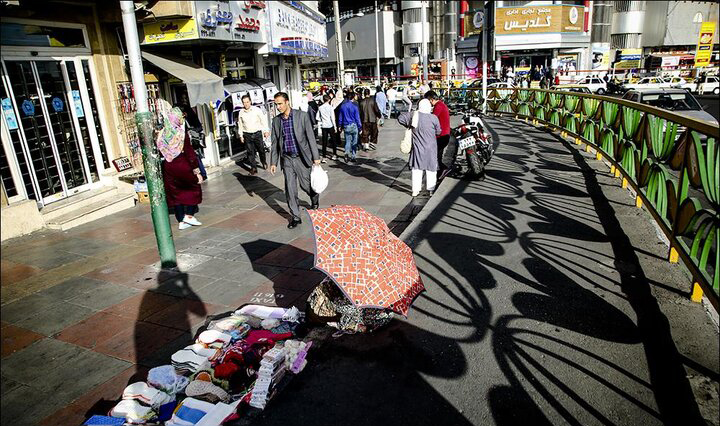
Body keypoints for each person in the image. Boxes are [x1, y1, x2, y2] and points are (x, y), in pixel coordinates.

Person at [269, 92, 321, 229]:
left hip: (301, 157)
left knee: (306, 185)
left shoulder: (302, 116)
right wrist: (273, 162)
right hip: (287, 159)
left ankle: (314, 198)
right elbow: (274, 143)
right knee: (290, 189)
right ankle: (296, 216)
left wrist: (316, 158)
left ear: (287, 102)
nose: (278, 107)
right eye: (276, 104)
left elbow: (310, 138)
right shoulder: (276, 121)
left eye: (280, 103)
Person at [157, 106, 203, 230]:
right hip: (183, 165)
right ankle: (189, 216)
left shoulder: (162, 134)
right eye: (181, 117)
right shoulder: (181, 134)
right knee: (194, 188)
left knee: (175, 194)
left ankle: (180, 220)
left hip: (168, 167)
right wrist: (197, 171)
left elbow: (160, 150)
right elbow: (190, 153)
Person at [398, 99, 441, 197]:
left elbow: (400, 118)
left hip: (418, 148)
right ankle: (431, 190)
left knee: (417, 169)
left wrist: (410, 122)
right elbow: (438, 132)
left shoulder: (414, 116)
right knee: (431, 169)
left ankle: (415, 191)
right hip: (431, 148)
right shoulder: (434, 118)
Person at [237, 94, 269, 175]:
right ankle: (254, 168)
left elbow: (263, 121)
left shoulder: (257, 110)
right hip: (247, 134)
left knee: (261, 150)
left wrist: (266, 130)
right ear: (242, 103)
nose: (246, 104)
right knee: (250, 152)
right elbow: (240, 124)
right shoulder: (241, 112)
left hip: (257, 133)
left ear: (250, 102)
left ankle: (264, 162)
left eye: (247, 102)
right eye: (244, 102)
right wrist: (240, 135)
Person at [424, 90, 450, 173]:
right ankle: (441, 172)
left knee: (435, 156)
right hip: (445, 134)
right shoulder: (441, 104)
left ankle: (443, 169)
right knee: (438, 155)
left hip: (441, 136)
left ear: (431, 99)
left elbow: (432, 120)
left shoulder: (438, 106)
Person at [337, 91, 362, 163]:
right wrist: (360, 127)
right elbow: (357, 118)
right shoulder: (355, 107)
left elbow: (340, 117)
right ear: (353, 97)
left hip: (346, 125)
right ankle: (353, 156)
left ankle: (346, 153)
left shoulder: (343, 106)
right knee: (354, 142)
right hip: (354, 125)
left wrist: (339, 125)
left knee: (347, 141)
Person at [316, 94, 339, 161]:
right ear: (329, 100)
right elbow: (333, 118)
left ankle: (324, 157)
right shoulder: (330, 107)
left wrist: (322, 119)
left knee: (324, 141)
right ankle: (334, 154)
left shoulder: (320, 108)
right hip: (330, 125)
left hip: (324, 126)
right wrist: (335, 127)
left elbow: (317, 117)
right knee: (333, 140)